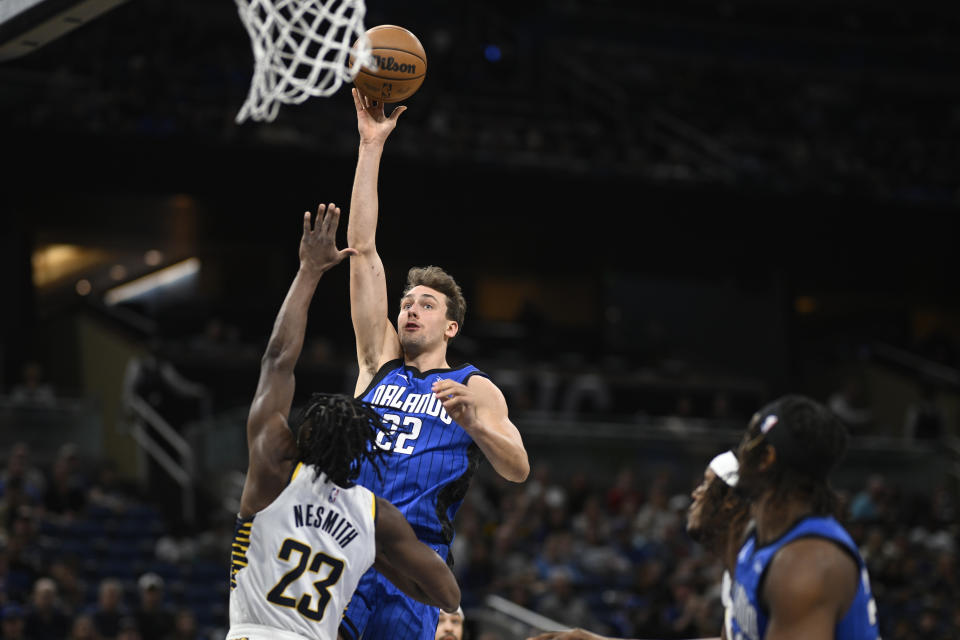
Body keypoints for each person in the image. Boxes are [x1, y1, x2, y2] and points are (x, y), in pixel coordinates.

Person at [341, 87, 529, 640]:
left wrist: (475, 425)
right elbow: (364, 251)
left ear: (451, 326)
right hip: (349, 544)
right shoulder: (378, 360)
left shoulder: (474, 387)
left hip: (417, 565)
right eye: (406, 302)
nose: (410, 309)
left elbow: (517, 467)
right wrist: (370, 145)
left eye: (426, 304)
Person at [226, 204, 460, 640]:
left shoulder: (272, 472)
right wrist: (374, 554)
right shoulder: (370, 514)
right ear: (360, 453)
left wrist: (308, 272)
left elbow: (277, 359)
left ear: (303, 435)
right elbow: (447, 596)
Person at [525, 451, 749, 640]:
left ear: (729, 502)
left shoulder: (761, 567)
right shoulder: (735, 572)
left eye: (707, 484)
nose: (695, 493)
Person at [726, 395, 881, 640]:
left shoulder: (807, 566)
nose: (740, 450)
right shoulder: (761, 533)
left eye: (749, 439)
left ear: (766, 458)